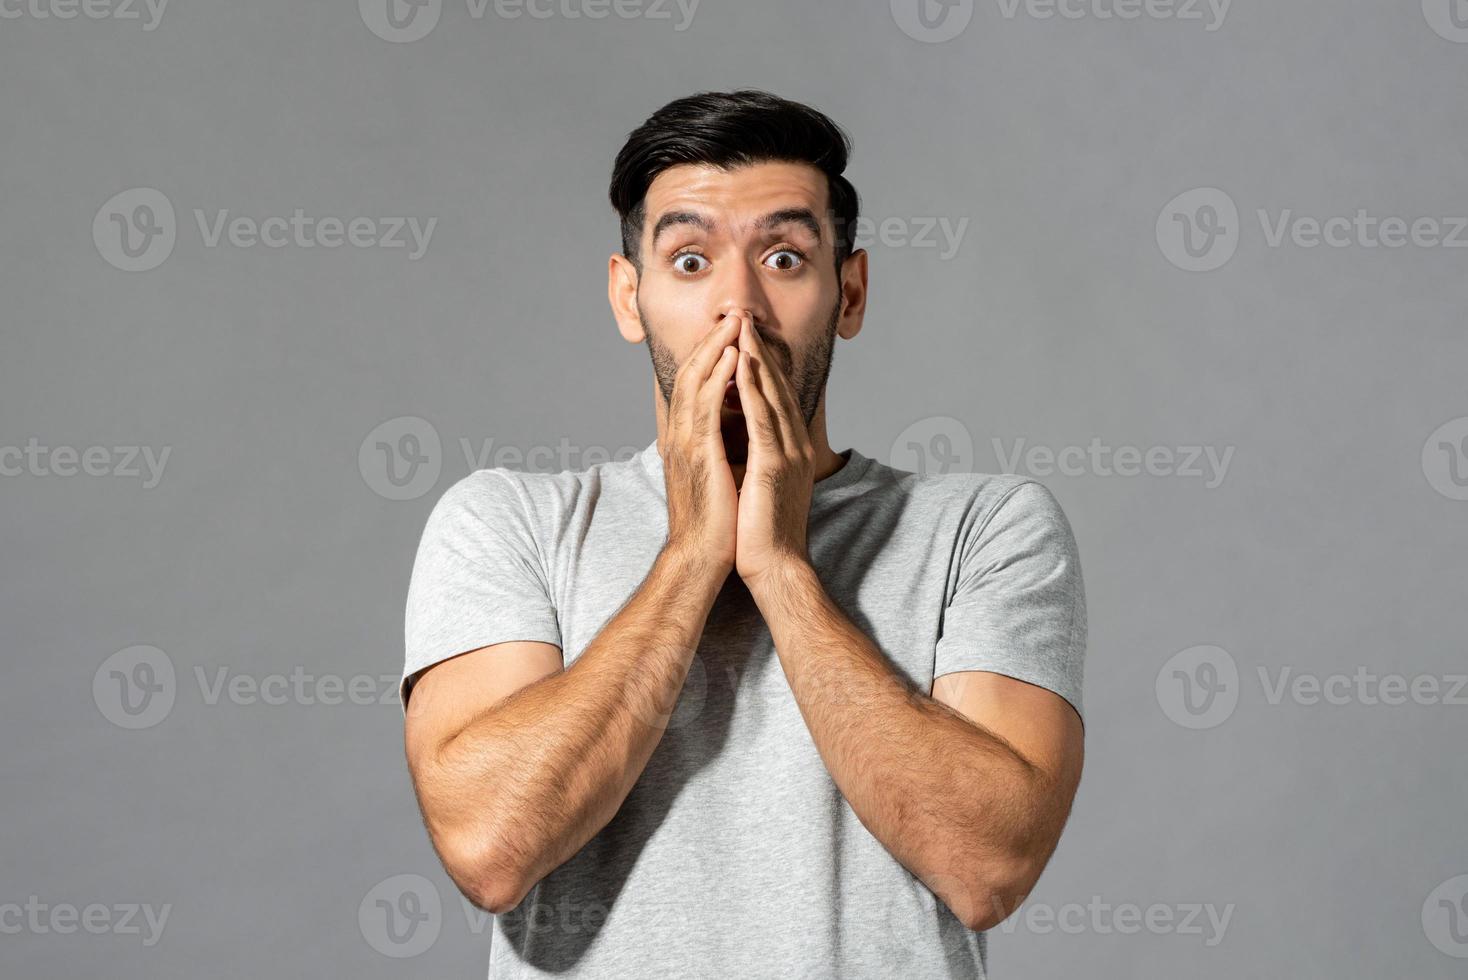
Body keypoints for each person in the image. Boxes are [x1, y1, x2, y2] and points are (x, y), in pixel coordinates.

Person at [400, 89, 1087, 979]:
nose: (740, 308)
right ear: (629, 297)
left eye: (785, 257)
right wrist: (692, 555)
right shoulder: (507, 523)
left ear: (850, 292)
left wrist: (781, 569)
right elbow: (490, 848)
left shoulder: (983, 530)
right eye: (689, 261)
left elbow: (988, 868)